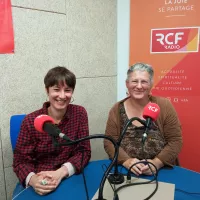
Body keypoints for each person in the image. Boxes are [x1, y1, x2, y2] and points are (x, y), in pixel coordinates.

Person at [13, 66, 91, 196]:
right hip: (41, 180)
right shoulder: (30, 121)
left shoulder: (80, 113)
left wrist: (60, 173)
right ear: (47, 90)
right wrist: (33, 180)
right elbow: (20, 161)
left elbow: (84, 151)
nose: (62, 96)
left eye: (67, 90)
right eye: (56, 90)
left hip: (69, 176)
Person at [104, 62, 182, 176]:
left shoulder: (164, 106)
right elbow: (109, 142)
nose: (139, 86)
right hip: (126, 171)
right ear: (127, 83)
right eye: (134, 81)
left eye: (144, 81)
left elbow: (175, 141)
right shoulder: (117, 109)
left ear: (151, 84)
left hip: (161, 170)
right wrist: (126, 161)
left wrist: (157, 163)